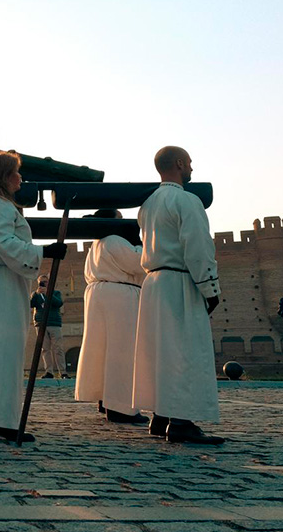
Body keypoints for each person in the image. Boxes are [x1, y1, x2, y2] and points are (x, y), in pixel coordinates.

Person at [0, 151, 66, 442]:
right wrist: (44, 252)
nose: (20, 178)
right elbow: (6, 243)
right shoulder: (2, 207)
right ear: (3, 177)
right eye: (15, 172)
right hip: (1, 279)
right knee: (6, 351)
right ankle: (4, 422)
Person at [133, 146, 223, 444]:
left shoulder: (147, 205)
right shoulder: (187, 201)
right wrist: (210, 288)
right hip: (180, 282)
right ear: (181, 164)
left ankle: (161, 416)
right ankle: (181, 422)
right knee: (183, 351)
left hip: (154, 283)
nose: (192, 169)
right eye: (190, 164)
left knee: (160, 352)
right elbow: (197, 247)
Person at [75, 209, 149, 425]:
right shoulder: (115, 240)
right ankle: (120, 407)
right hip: (120, 297)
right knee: (122, 351)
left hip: (99, 295)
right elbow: (140, 263)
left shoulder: (96, 244)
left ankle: (104, 399)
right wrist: (140, 245)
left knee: (101, 350)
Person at [30, 275, 67, 379]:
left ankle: (63, 372)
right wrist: (36, 294)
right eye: (41, 282)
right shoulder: (36, 294)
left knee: (58, 348)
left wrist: (47, 293)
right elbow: (31, 304)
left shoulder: (55, 293)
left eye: (45, 282)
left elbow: (58, 303)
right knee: (45, 349)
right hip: (40, 323)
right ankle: (49, 371)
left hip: (54, 322)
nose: (43, 284)